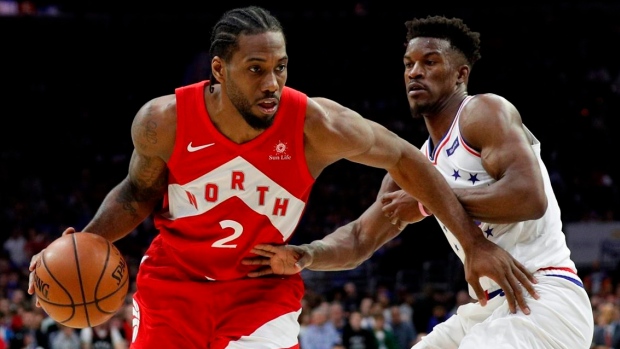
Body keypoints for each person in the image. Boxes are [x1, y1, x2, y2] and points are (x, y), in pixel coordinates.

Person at [28, 7, 534, 349]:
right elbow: (138, 192)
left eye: (281, 67)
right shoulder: (165, 120)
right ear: (219, 70)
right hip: (173, 285)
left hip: (261, 289)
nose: (272, 83)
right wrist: (86, 241)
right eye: (255, 69)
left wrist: (473, 243)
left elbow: (407, 159)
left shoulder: (316, 124)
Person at [244, 15, 594, 348]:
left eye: (430, 62)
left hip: (542, 292)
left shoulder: (483, 112)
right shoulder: (413, 163)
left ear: (460, 74)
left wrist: (427, 204)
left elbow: (529, 198)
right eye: (409, 63)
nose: (415, 72)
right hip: (488, 307)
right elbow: (360, 238)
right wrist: (306, 254)